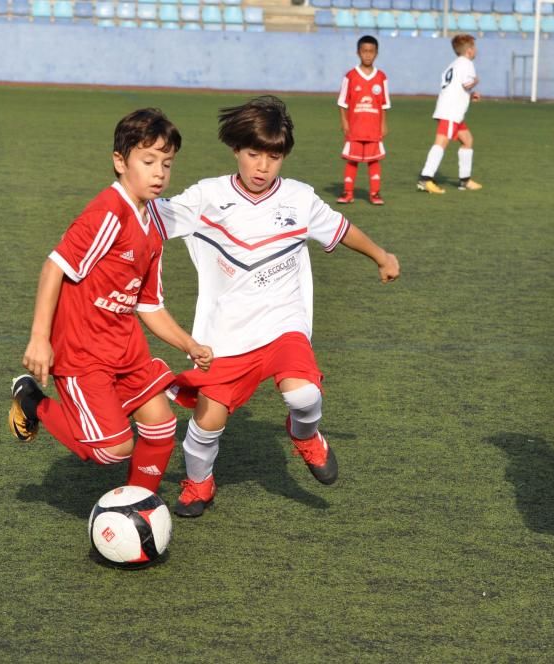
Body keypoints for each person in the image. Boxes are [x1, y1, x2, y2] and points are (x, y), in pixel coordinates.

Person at [146, 95, 401, 518]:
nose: (262, 166)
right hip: (225, 333)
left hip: (284, 322)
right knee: (208, 419)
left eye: (273, 156)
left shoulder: (299, 200)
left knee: (303, 396)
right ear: (236, 150)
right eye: (253, 154)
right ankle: (199, 483)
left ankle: (306, 436)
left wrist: (381, 255)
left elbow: (340, 228)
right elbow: (150, 217)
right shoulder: (207, 196)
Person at [7, 108, 212, 495]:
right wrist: (39, 339)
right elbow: (54, 267)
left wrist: (188, 344)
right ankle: (33, 401)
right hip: (83, 351)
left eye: (166, 164)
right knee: (112, 449)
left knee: (161, 426)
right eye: (148, 161)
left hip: (124, 348)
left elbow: (148, 304)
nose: (159, 173)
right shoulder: (108, 212)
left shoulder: (151, 220)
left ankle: (138, 506)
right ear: (120, 161)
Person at [417, 34, 482, 194]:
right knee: (441, 143)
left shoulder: (453, 65)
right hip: (451, 111)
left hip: (452, 111)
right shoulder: (467, 64)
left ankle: (464, 180)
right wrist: (475, 82)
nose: (476, 50)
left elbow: (457, 86)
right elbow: (467, 83)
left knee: (467, 139)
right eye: (474, 47)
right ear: (469, 50)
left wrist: (470, 94)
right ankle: (425, 179)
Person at [336, 34, 391, 206]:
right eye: (364, 51)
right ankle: (348, 193)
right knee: (352, 160)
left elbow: (384, 104)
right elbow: (342, 102)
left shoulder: (381, 77)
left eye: (371, 51)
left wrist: (383, 124)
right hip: (355, 127)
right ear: (358, 53)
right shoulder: (350, 76)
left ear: (376, 53)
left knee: (374, 161)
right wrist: (344, 122)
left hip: (374, 128)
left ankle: (375, 193)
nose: (368, 55)